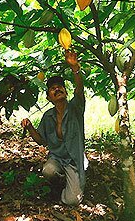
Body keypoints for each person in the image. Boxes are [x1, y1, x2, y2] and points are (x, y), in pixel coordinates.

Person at [21, 50, 88, 206]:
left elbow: (79, 90)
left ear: (65, 91)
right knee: (48, 171)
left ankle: (74, 179)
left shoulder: (75, 108)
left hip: (73, 160)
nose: (57, 89)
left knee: (72, 201)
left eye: (60, 87)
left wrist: (75, 68)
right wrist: (30, 127)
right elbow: (41, 141)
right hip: (57, 158)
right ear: (49, 98)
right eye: (53, 88)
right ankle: (60, 182)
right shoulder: (48, 116)